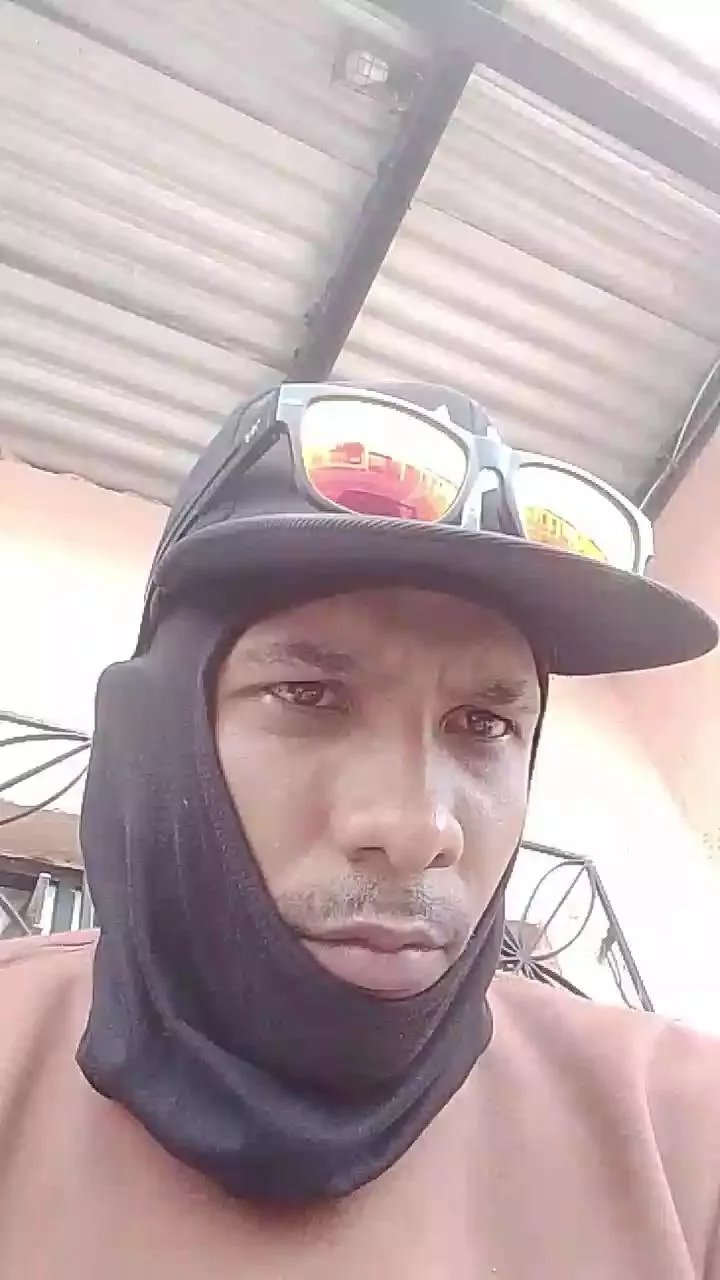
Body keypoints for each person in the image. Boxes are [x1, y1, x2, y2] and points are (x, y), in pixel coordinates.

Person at [1, 381, 719, 1279]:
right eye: (308, 696)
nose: (418, 831)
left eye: (483, 724)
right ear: (165, 730)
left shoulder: (680, 1137)